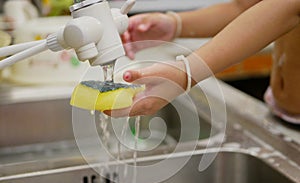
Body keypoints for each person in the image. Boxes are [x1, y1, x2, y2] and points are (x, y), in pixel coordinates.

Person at [106, 0, 300, 123]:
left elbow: (291, 7)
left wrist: (186, 73)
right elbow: (246, 6)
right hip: (279, 112)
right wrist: (176, 24)